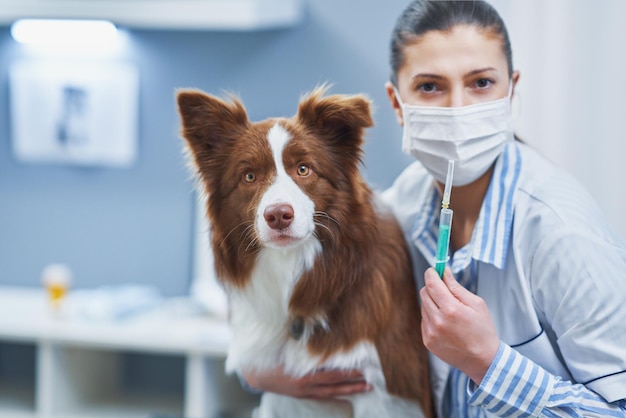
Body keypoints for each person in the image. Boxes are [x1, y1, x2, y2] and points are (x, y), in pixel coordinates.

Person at [242, 1, 626, 416]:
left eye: (481, 83)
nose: (458, 108)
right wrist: (257, 372)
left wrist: (489, 362)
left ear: (511, 89)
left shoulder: (562, 234)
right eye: (430, 87)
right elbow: (298, 284)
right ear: (396, 103)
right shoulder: (400, 207)